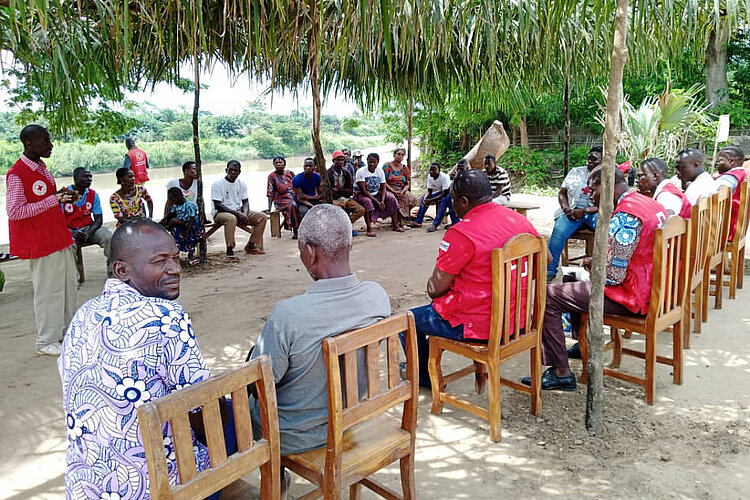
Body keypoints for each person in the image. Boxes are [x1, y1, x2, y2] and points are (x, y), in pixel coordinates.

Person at [58, 219, 215, 499]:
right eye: (160, 261)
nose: (175, 268)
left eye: (175, 258)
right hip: (156, 487)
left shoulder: (81, 315)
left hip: (86, 487)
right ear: (121, 270)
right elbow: (201, 407)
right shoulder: (166, 316)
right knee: (234, 423)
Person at [248, 204, 390, 456]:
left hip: (297, 435)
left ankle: (274, 478)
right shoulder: (377, 297)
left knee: (232, 406)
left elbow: (261, 381)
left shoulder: (289, 315)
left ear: (311, 253)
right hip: (352, 418)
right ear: (350, 245)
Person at [525, 167, 668, 391]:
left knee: (549, 294)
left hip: (632, 297)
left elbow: (613, 277)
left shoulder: (625, 216)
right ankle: (579, 345)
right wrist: (598, 261)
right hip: (653, 287)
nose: (590, 196)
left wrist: (595, 270)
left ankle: (560, 372)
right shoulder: (649, 203)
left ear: (608, 184)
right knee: (572, 277)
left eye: (593, 189)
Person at [409, 169, 539, 388]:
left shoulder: (462, 232)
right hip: (518, 321)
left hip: (478, 325)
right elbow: (543, 263)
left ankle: (424, 380)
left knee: (409, 321)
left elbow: (435, 289)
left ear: (464, 201)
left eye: (453, 201)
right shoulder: (518, 220)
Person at [6, 124, 77, 356]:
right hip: (41, 242)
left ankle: (67, 334)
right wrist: (53, 200)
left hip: (58, 237)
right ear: (29, 143)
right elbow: (15, 211)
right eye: (45, 141)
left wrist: (63, 196)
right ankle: (46, 341)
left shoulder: (41, 168)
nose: (50, 145)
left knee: (68, 288)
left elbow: (46, 199)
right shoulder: (17, 174)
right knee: (49, 292)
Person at [546, 145, 602, 282]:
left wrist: (584, 212)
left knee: (607, 230)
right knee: (559, 230)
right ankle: (550, 270)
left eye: (594, 159)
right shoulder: (575, 172)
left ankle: (602, 268)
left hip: (594, 213)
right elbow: (562, 193)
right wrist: (566, 209)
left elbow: (608, 203)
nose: (589, 161)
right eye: (588, 158)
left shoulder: (610, 176)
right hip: (572, 212)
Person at [211, 160, 267, 259]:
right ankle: (229, 249)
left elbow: (245, 202)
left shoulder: (241, 183)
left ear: (239, 172)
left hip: (238, 211)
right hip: (220, 213)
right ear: (226, 170)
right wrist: (238, 214)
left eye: (235, 170)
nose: (233, 172)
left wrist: (244, 213)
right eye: (230, 170)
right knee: (231, 218)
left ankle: (251, 245)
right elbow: (218, 205)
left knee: (262, 217)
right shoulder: (217, 184)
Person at [64, 167, 113, 271]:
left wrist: (89, 232)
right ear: (75, 178)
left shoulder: (93, 195)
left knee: (109, 238)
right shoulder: (64, 195)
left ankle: (112, 272)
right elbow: (57, 221)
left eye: (90, 176)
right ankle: (74, 278)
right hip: (70, 230)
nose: (89, 179)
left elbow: (98, 219)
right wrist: (73, 233)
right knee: (68, 246)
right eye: (85, 176)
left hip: (89, 229)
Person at [354, 152, 401, 236]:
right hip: (362, 194)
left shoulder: (380, 171)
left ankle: (395, 225)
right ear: (367, 161)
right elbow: (364, 190)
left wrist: (382, 201)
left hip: (376, 194)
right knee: (367, 201)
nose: (372, 164)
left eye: (374, 162)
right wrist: (377, 202)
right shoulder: (361, 172)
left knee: (392, 199)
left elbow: (383, 188)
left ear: (377, 162)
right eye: (370, 162)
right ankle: (369, 229)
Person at [411, 162, 459, 232]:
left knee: (443, 202)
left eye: (434, 170)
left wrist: (430, 200)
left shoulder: (444, 177)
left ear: (439, 171)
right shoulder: (430, 176)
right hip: (442, 192)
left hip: (450, 193)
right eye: (430, 170)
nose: (431, 172)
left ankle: (436, 224)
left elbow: (444, 193)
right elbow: (429, 191)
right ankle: (418, 221)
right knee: (424, 199)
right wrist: (427, 199)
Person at [161, 187, 203, 265]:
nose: (172, 202)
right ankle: (176, 252)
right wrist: (164, 220)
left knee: (175, 222)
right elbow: (171, 214)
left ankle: (191, 255)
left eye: (173, 200)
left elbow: (192, 219)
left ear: (179, 196)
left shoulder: (189, 205)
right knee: (175, 229)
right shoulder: (175, 205)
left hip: (191, 225)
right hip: (182, 223)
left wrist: (187, 230)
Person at [715, 146, 748, 241]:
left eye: (720, 160)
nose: (717, 163)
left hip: (726, 230)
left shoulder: (729, 178)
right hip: (737, 228)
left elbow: (711, 196)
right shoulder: (743, 174)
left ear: (731, 161)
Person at [328, 150, 365, 229]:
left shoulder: (346, 173)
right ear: (333, 161)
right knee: (339, 211)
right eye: (338, 160)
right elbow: (329, 191)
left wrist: (337, 190)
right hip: (334, 200)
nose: (341, 162)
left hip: (345, 198)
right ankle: (341, 227)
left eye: (342, 160)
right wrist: (342, 192)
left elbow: (350, 191)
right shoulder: (328, 173)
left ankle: (345, 225)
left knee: (361, 210)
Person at [383, 147, 420, 225]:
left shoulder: (405, 168)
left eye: (402, 155)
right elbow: (383, 182)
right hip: (389, 189)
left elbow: (407, 183)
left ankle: (404, 217)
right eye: (398, 154)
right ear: (394, 155)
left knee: (412, 199)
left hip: (401, 189)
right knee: (392, 198)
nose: (400, 156)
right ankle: (396, 220)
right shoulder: (387, 166)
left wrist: (404, 190)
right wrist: (393, 191)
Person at [266, 156, 299, 239]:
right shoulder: (272, 176)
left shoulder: (290, 173)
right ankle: (295, 229)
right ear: (273, 165)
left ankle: (295, 225)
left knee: (300, 205)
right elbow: (270, 192)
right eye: (276, 163)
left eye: (280, 162)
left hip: (293, 196)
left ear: (284, 164)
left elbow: (297, 186)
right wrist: (269, 207)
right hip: (280, 199)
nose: (279, 164)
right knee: (292, 206)